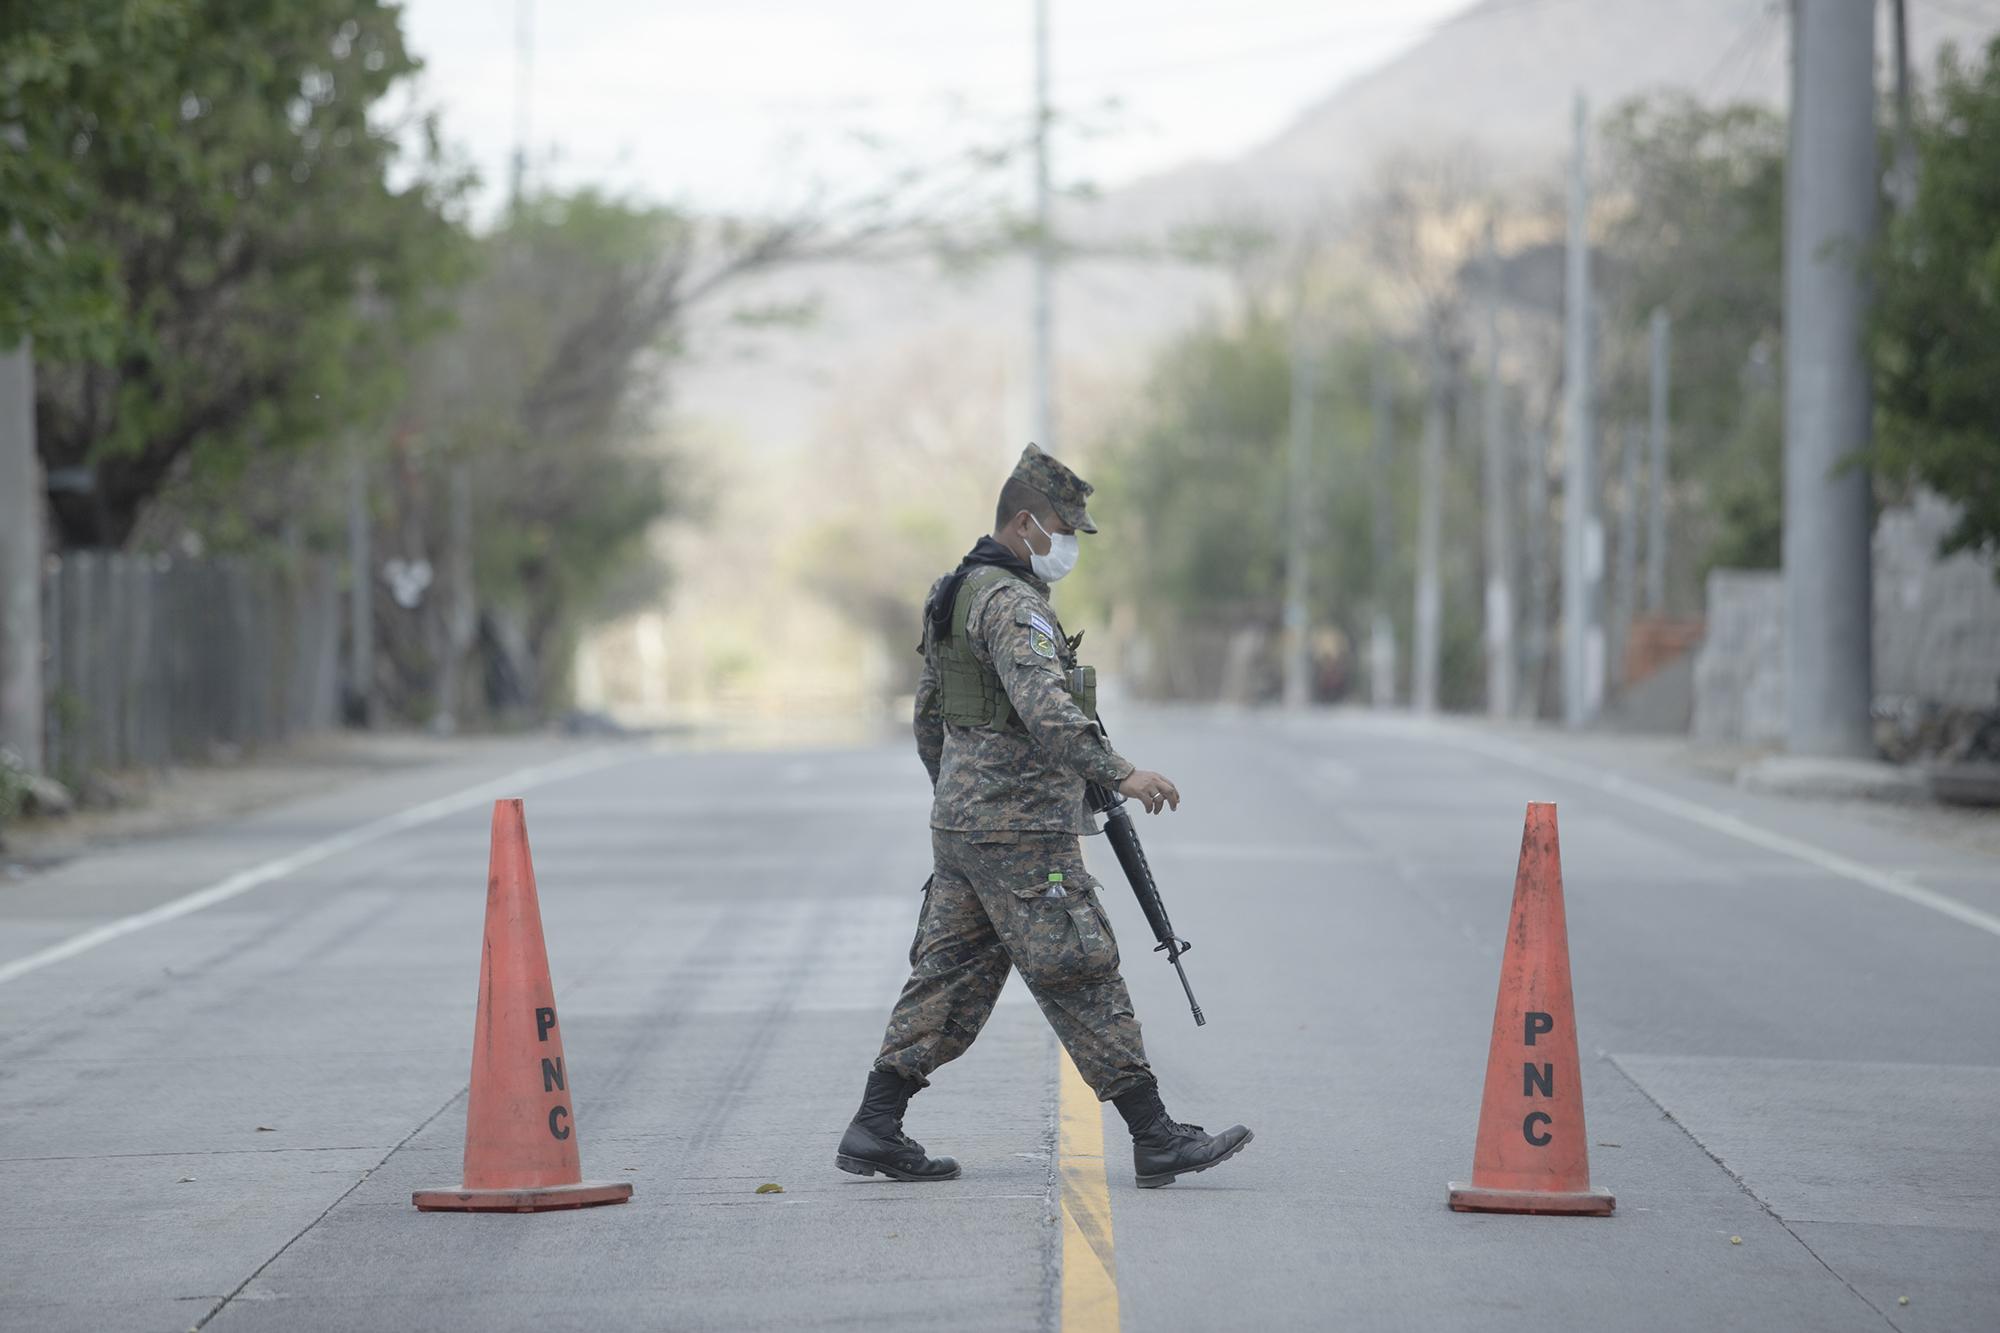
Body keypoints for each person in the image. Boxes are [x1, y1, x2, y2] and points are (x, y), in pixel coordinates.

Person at [836, 444, 1253, 1190]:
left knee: (947, 978)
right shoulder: (1012, 603)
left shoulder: (956, 590)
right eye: (1065, 528)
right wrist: (1122, 772)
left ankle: (875, 1125)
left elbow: (929, 714)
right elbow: (1047, 708)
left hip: (967, 827)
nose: (1070, 545)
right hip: (1022, 833)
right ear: (1025, 521)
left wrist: (957, 796)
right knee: (1082, 968)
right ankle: (1155, 1135)